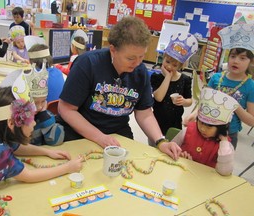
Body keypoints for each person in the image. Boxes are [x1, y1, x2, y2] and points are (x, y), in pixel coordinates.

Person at [57, 16, 181, 160]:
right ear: (113, 50)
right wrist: (99, 137)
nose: (137, 63)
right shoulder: (88, 64)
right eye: (130, 58)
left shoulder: (140, 72)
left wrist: (160, 141)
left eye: (141, 57)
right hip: (79, 134)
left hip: (117, 134)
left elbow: (144, 113)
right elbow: (66, 109)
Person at [0, 86, 83, 190]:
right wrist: (68, 168)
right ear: (11, 123)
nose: (34, 124)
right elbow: (28, 176)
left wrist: (47, 152)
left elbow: (15, 147)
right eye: (30, 118)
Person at [184, 23, 254, 149]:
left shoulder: (250, 86)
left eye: (242, 58)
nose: (236, 61)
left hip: (228, 135)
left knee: (220, 166)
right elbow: (203, 102)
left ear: (251, 62)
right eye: (233, 56)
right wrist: (193, 115)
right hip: (205, 128)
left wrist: (234, 105)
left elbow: (251, 120)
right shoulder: (216, 78)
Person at [173, 87, 238, 176]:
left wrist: (224, 141)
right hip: (181, 174)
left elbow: (225, 171)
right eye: (201, 123)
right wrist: (179, 154)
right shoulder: (188, 130)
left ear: (220, 128)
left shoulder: (224, 145)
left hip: (205, 182)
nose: (203, 129)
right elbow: (172, 147)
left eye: (209, 126)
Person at [151, 32, 197, 135]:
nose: (170, 67)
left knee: (173, 144)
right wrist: (168, 77)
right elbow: (158, 97)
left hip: (175, 122)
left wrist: (183, 101)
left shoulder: (185, 79)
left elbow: (190, 100)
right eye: (167, 62)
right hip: (156, 121)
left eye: (175, 65)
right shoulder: (156, 77)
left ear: (180, 66)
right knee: (153, 145)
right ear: (163, 58)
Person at [25, 42, 65, 145]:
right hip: (58, 114)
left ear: (31, 61)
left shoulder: (34, 79)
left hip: (39, 118)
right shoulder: (58, 72)